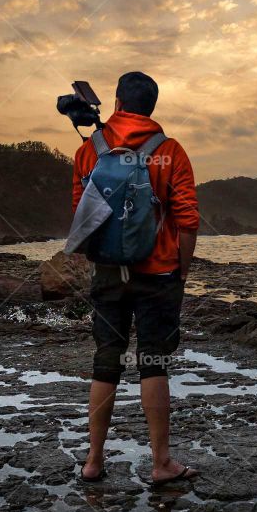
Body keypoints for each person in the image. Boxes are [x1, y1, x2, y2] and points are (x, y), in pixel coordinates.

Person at [72, 71, 199, 486]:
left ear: (116, 102)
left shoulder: (89, 151)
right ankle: (161, 462)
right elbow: (188, 220)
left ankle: (93, 460)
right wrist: (182, 269)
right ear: (152, 107)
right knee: (154, 363)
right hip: (158, 272)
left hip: (108, 273)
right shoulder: (170, 151)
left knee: (105, 362)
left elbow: (82, 214)